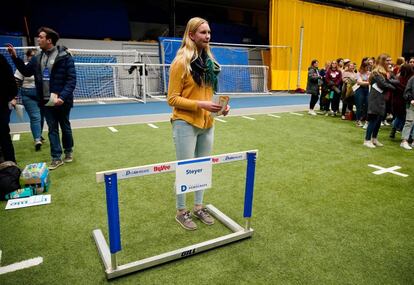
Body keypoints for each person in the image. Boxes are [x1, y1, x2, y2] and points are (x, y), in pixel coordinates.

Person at [167, 17, 229, 230]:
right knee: (186, 169)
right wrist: (200, 104)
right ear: (191, 35)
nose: (208, 36)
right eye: (203, 32)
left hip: (207, 123)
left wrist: (219, 107)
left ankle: (199, 207)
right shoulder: (180, 62)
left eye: (209, 32)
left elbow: (208, 94)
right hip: (184, 122)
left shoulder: (209, 63)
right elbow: (172, 99)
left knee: (202, 168)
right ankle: (181, 211)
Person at [7, 27, 76, 170]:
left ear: (49, 40)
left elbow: (71, 80)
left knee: (65, 126)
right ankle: (56, 158)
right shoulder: (37, 58)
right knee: (52, 129)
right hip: (45, 101)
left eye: (41, 37)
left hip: (62, 101)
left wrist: (62, 97)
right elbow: (25, 71)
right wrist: (14, 57)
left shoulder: (65, 56)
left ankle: (68, 151)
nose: (38, 39)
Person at [14, 49, 45, 151]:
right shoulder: (23, 67)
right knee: (35, 116)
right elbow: (17, 83)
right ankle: (37, 140)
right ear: (28, 57)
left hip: (41, 94)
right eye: (31, 56)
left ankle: (39, 135)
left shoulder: (42, 65)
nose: (33, 57)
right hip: (28, 95)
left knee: (41, 117)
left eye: (35, 55)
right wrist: (14, 97)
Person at [363, 54, 396, 148]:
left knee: (378, 120)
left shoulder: (385, 72)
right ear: (382, 61)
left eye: (390, 60)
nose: (390, 62)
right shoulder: (376, 72)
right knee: (373, 119)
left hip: (382, 97)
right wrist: (394, 87)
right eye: (387, 60)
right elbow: (384, 84)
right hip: (375, 97)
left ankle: (374, 138)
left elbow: (390, 82)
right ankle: (367, 140)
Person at [0, 54, 18, 162]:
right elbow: (12, 84)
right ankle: (11, 164)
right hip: (2, 105)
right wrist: (10, 97)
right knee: (4, 136)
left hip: (2, 105)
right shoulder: (2, 60)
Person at [400, 71, 414, 150]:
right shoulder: (412, 79)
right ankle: (404, 141)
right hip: (411, 104)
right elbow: (406, 92)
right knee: (409, 121)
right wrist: (411, 99)